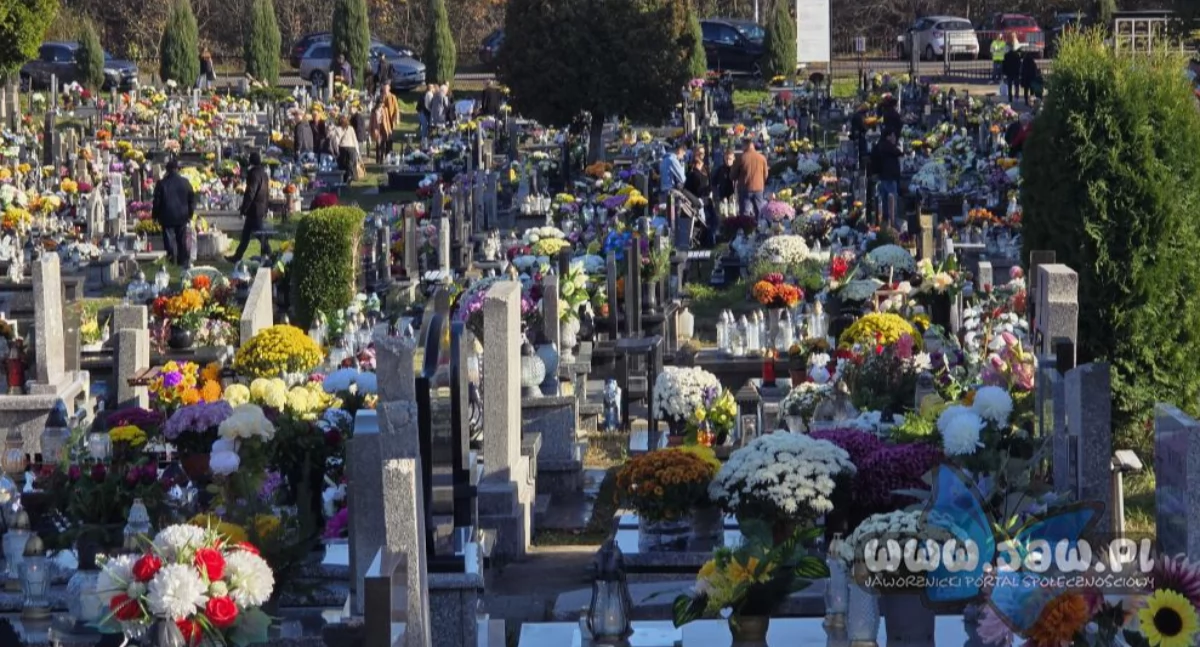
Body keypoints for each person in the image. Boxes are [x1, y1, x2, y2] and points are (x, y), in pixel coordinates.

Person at [226, 152, 271, 263]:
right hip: (260, 207)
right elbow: (266, 193)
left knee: (259, 235)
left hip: (254, 209)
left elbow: (250, 192)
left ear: (251, 162)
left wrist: (244, 209)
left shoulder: (253, 174)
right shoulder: (264, 174)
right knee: (246, 236)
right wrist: (265, 208)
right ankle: (237, 256)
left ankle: (269, 253)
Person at [152, 159, 195, 268]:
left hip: (167, 216)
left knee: (169, 241)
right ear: (177, 169)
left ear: (167, 170)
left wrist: (155, 215)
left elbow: (157, 201)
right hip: (182, 216)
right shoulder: (185, 182)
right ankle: (183, 261)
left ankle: (171, 261)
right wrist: (190, 214)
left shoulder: (161, 183)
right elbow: (192, 200)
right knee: (182, 240)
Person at [872, 131, 903, 228]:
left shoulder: (881, 145)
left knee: (885, 200)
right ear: (888, 137)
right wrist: (897, 145)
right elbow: (899, 153)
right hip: (889, 177)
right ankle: (893, 223)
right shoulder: (888, 146)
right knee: (892, 199)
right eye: (893, 136)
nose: (894, 138)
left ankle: (886, 222)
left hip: (883, 176)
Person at [734, 139, 768, 219]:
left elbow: (733, 175)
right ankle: (759, 228)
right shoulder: (762, 158)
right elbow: (766, 175)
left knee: (745, 213)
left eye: (742, 145)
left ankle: (747, 230)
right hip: (759, 188)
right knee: (759, 212)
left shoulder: (741, 158)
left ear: (746, 145)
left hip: (745, 188)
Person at [332, 115, 361, 182]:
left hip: (343, 148)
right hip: (352, 148)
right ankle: (350, 177)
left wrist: (336, 151)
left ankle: (344, 179)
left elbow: (336, 141)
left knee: (343, 165)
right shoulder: (351, 128)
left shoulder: (338, 129)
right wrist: (357, 151)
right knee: (350, 165)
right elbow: (355, 140)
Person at [369, 100, 392, 165]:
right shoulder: (373, 111)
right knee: (378, 144)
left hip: (384, 128)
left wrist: (389, 129)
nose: (381, 105)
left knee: (383, 144)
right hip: (377, 129)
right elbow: (371, 121)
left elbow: (387, 120)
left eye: (382, 103)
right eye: (380, 103)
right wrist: (370, 130)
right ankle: (378, 159)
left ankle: (382, 159)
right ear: (377, 104)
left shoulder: (385, 110)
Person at [1002, 38, 1022, 103]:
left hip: (1009, 73)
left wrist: (1004, 72)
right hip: (1016, 73)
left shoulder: (1006, 56)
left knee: (1009, 86)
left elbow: (1004, 65)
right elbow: (1019, 64)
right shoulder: (1017, 55)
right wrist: (1019, 71)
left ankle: (1010, 98)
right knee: (1016, 86)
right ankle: (1016, 97)